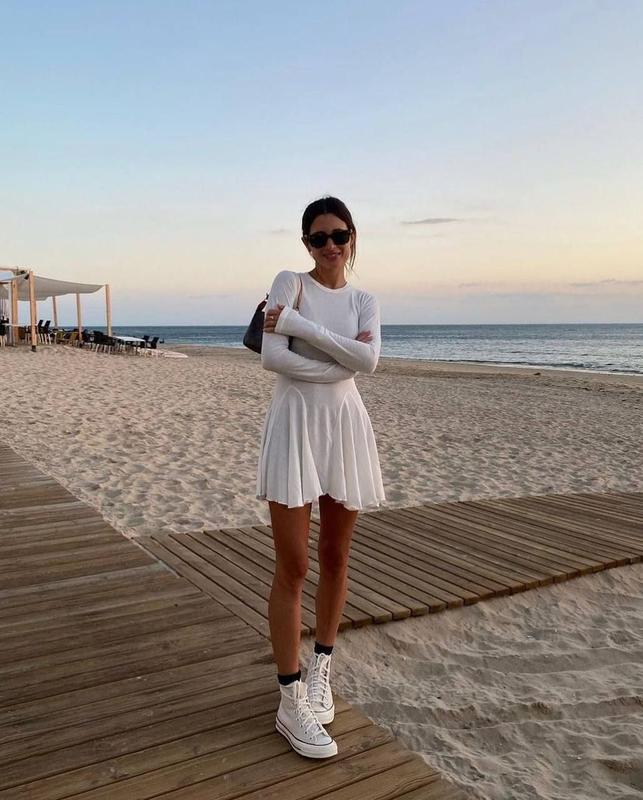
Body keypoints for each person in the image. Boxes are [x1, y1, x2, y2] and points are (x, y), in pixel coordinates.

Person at [257, 196, 385, 758]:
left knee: (336, 557)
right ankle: (289, 699)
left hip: (344, 427)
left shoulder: (364, 300)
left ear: (352, 237)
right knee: (294, 564)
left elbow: (371, 362)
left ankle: (321, 670)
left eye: (339, 235)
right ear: (306, 243)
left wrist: (299, 328)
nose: (330, 246)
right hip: (295, 424)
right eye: (318, 237)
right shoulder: (290, 282)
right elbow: (272, 357)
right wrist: (341, 362)